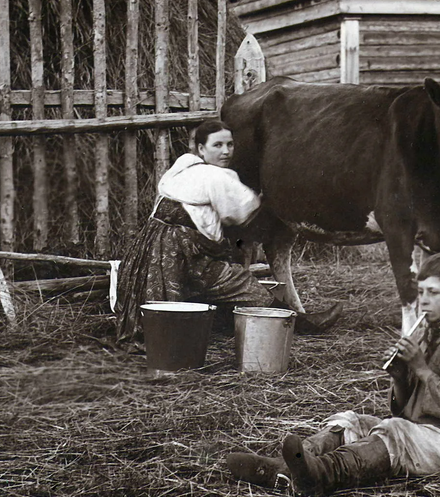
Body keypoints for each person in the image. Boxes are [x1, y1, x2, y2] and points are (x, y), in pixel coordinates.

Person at [225, 251, 440, 496]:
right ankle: (288, 469)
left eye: (434, 293)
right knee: (353, 422)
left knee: (394, 430)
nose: (424, 300)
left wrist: (421, 368)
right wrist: (400, 377)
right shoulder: (425, 335)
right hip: (422, 433)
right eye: (421, 292)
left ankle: (322, 475)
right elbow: (404, 411)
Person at [114, 118, 341, 342]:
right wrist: (265, 197)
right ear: (201, 148)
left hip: (153, 246)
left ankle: (195, 328)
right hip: (184, 253)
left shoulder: (183, 167)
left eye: (230, 145)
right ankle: (302, 323)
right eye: (218, 145)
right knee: (244, 284)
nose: (226, 152)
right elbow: (240, 212)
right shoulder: (215, 176)